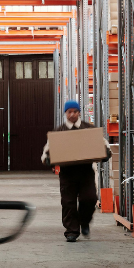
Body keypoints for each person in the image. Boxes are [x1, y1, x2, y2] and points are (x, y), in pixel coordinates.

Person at [41, 100, 111, 242]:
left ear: (79, 112)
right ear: (65, 113)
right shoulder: (58, 132)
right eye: (69, 112)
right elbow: (46, 151)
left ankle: (84, 221)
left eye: (75, 111)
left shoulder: (89, 129)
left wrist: (106, 153)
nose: (72, 114)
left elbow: (104, 144)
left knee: (90, 198)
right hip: (67, 173)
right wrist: (48, 159)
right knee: (68, 202)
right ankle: (71, 231)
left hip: (85, 172)